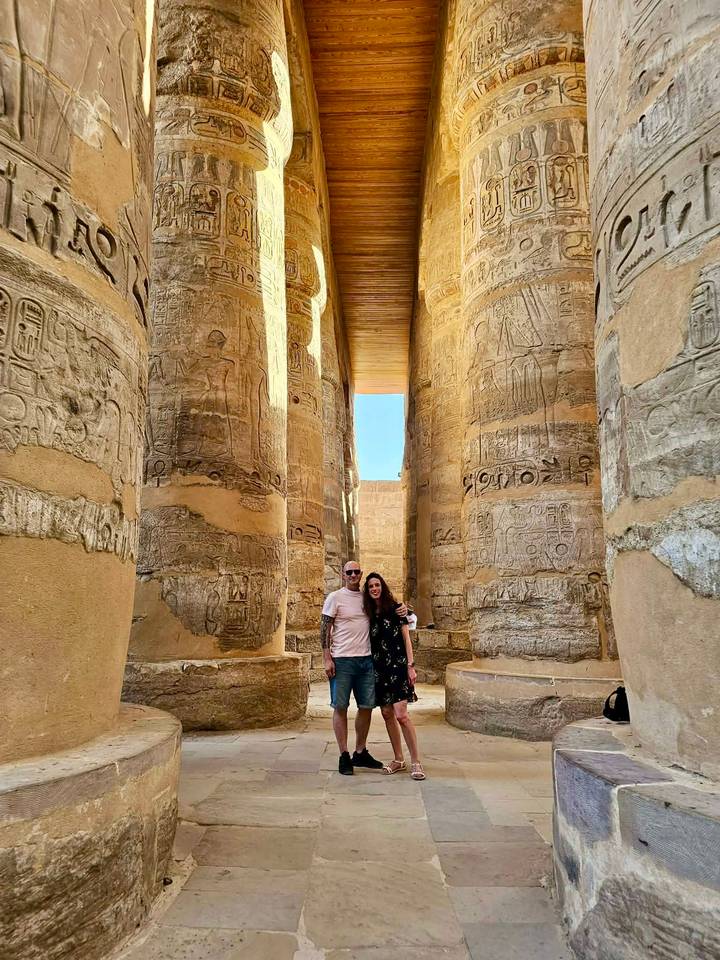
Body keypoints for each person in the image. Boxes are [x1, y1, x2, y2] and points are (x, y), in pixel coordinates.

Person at [321, 561, 406, 775]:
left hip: (367, 660)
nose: (352, 575)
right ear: (343, 574)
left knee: (366, 706)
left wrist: (405, 608)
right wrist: (327, 658)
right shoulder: (335, 598)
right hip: (342, 660)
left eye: (356, 572)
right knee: (340, 706)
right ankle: (344, 755)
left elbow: (388, 608)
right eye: (349, 572)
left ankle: (360, 752)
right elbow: (325, 628)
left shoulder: (366, 598)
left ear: (361, 574)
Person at [363, 572, 426, 780]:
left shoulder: (396, 609)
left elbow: (406, 639)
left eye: (377, 585)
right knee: (387, 713)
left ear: (383, 586)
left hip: (398, 667)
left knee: (402, 715)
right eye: (371, 586)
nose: (374, 588)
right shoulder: (369, 613)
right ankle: (399, 759)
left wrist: (410, 666)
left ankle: (416, 761)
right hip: (379, 670)